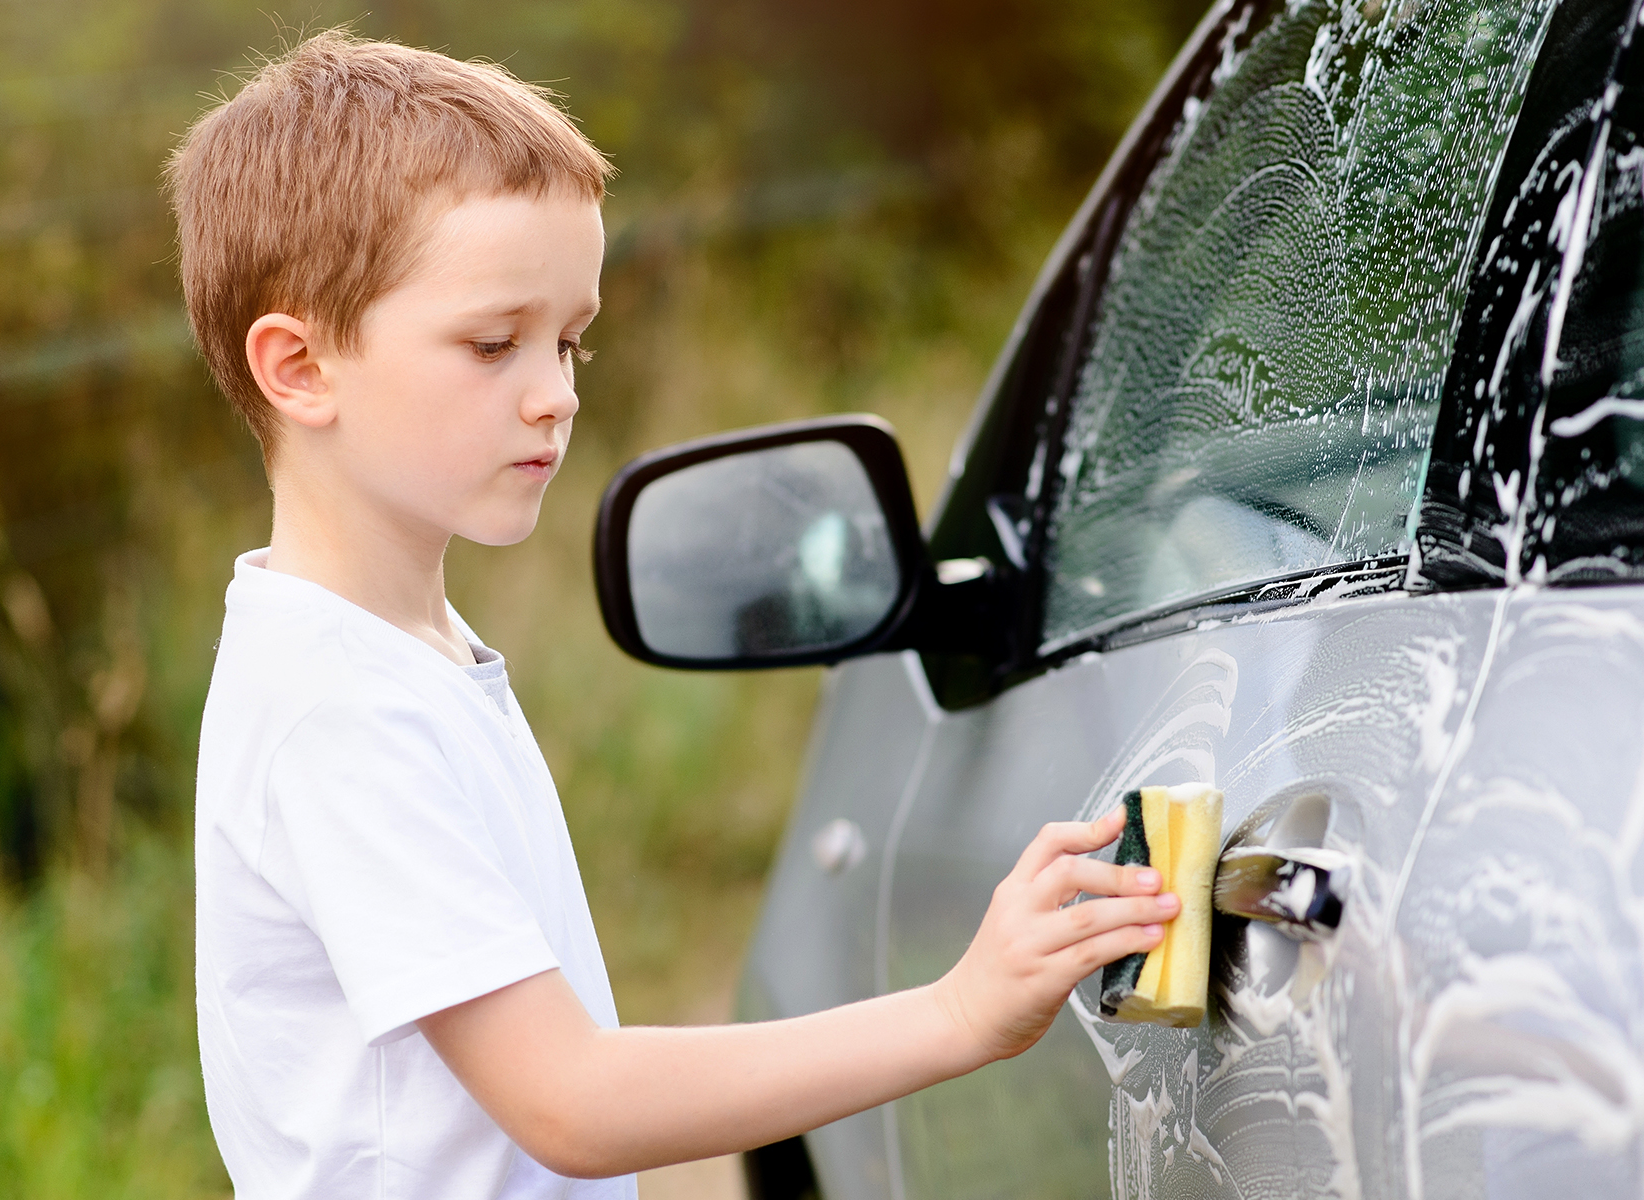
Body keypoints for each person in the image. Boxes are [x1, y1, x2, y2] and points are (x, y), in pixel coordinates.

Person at [166, 29, 1181, 1198]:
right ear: (299, 369)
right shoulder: (339, 710)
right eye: (493, 343)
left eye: (568, 340)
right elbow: (571, 1102)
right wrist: (958, 1012)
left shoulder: (397, 653)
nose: (554, 395)